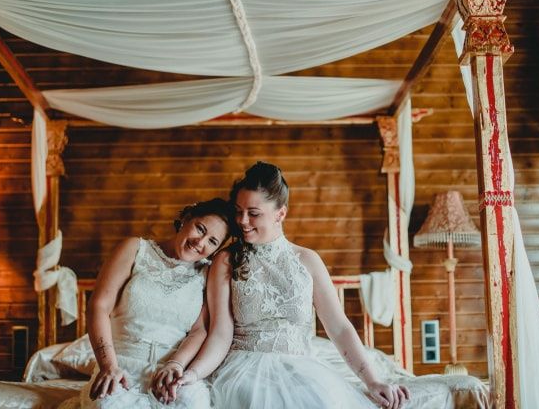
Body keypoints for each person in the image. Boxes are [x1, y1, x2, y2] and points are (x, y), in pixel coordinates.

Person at [153, 162, 410, 409]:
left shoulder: (308, 260)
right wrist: (193, 374)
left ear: (281, 213)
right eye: (238, 211)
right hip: (243, 369)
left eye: (253, 213)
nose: (242, 221)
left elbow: (339, 328)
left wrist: (373, 380)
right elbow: (221, 333)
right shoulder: (225, 260)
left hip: (301, 368)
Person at [74, 197, 235, 409]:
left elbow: (199, 331)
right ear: (186, 219)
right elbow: (99, 306)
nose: (200, 242)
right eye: (200, 229)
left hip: (168, 373)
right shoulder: (134, 249)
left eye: (212, 241)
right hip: (120, 365)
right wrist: (108, 366)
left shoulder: (207, 273)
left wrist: (175, 365)